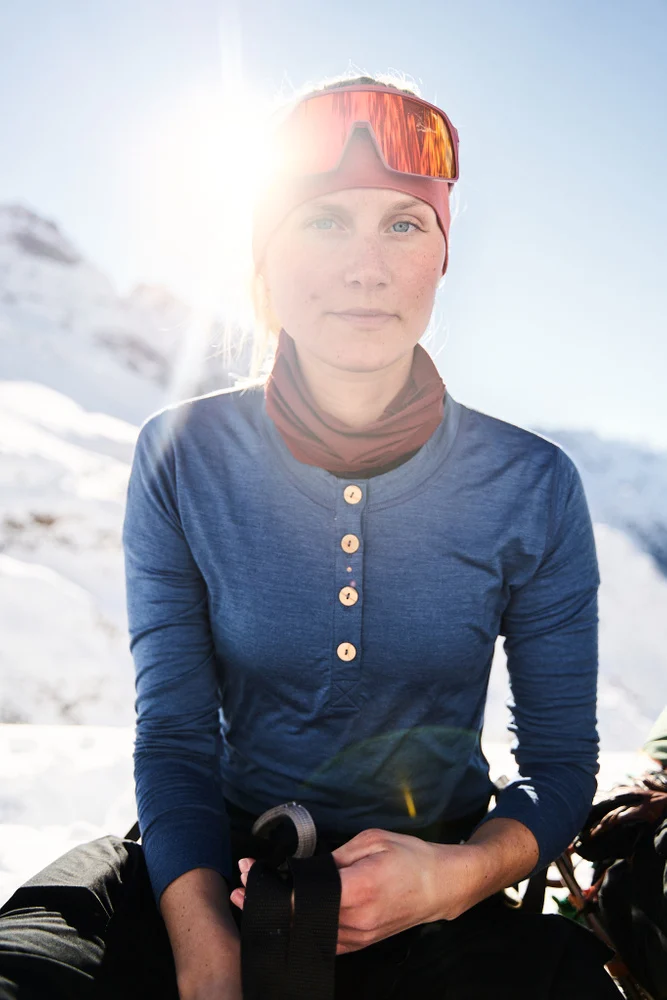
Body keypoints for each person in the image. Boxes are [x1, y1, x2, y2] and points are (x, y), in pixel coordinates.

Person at [0, 73, 620, 1000]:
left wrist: (451, 879)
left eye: (403, 223)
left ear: (441, 256)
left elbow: (559, 764)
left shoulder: (531, 484)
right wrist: (208, 958)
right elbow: (174, 741)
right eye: (325, 220)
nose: (365, 267)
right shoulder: (181, 456)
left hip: (436, 898)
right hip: (205, 874)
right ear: (267, 256)